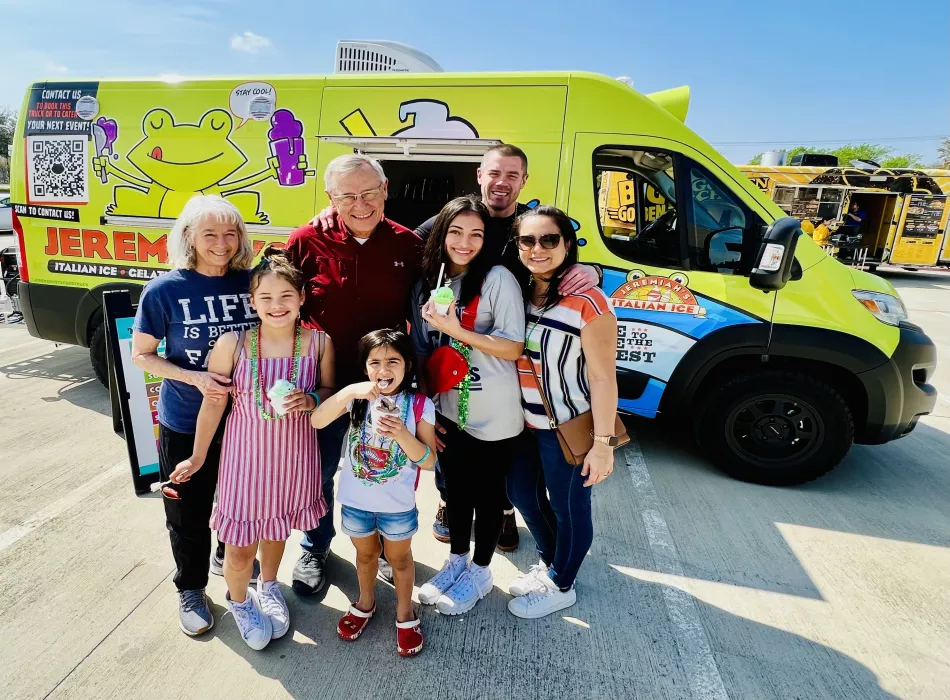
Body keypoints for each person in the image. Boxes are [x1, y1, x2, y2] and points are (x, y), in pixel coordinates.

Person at [413, 144, 600, 548]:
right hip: (454, 359)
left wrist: (591, 269)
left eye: (512, 175)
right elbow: (399, 245)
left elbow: (567, 262)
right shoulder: (454, 219)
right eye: (495, 173)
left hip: (517, 359)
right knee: (454, 434)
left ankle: (502, 510)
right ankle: (450, 501)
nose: (502, 182)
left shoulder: (531, 224)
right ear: (480, 174)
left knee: (506, 443)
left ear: (524, 181)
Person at [167, 246, 334, 650]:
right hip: (246, 461)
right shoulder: (233, 344)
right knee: (240, 548)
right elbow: (214, 401)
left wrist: (311, 399)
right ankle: (239, 600)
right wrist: (199, 454)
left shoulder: (319, 342)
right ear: (252, 301)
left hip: (294, 458)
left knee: (278, 529)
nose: (277, 306)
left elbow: (328, 390)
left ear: (301, 298)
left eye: (286, 297)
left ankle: (271, 585)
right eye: (266, 298)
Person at [285, 154, 424, 596]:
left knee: (383, 469)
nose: (359, 204)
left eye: (368, 193)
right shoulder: (306, 240)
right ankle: (316, 545)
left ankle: (384, 548)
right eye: (347, 196)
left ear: (385, 191)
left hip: (385, 388)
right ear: (330, 198)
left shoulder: (409, 246)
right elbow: (275, 301)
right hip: (324, 385)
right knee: (321, 468)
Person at [131, 195, 259, 636]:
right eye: (210, 234)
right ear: (189, 237)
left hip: (246, 421)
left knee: (238, 499)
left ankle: (228, 554)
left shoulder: (251, 282)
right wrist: (194, 377)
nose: (222, 244)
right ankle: (190, 585)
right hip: (186, 419)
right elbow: (143, 356)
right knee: (187, 508)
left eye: (230, 234)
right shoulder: (165, 289)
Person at [410, 196, 525, 615]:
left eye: (476, 233)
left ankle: (481, 569)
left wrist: (457, 328)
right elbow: (426, 348)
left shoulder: (497, 279)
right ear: (441, 234)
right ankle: (456, 560)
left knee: (488, 496)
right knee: (455, 492)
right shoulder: (431, 281)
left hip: (493, 410)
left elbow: (513, 347)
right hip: (447, 407)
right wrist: (426, 407)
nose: (465, 242)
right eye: (456, 231)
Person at [505, 205, 621, 620]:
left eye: (549, 240)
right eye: (528, 240)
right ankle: (550, 561)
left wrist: (603, 446)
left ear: (567, 245)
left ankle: (562, 584)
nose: (538, 249)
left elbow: (604, 379)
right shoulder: (520, 290)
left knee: (569, 508)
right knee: (521, 495)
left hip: (566, 427)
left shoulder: (589, 301)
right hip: (522, 425)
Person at [311, 329, 437, 657]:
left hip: (397, 507)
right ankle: (365, 602)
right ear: (365, 368)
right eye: (375, 362)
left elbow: (429, 459)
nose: (384, 369)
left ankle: (404, 612)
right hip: (356, 504)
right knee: (365, 555)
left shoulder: (419, 404)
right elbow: (317, 420)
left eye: (393, 361)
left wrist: (402, 433)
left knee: (399, 558)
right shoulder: (355, 398)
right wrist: (351, 390)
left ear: (407, 365)